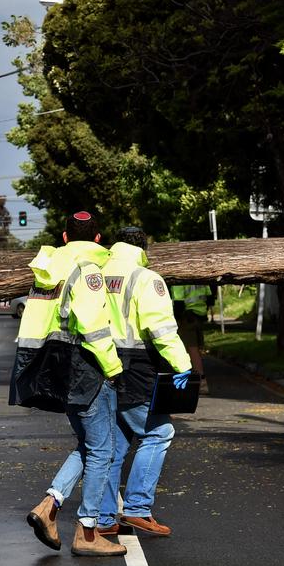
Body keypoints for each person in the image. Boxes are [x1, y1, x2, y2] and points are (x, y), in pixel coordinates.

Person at [11, 211, 127, 557]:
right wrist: (113, 367)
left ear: (64, 237)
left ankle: (50, 506)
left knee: (89, 444)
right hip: (87, 369)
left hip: (57, 369)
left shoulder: (49, 269)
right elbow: (92, 326)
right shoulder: (88, 271)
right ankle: (88, 533)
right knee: (103, 451)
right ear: (97, 239)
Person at [97, 227, 191, 538]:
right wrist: (182, 365)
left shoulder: (95, 275)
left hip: (97, 364)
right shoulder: (145, 278)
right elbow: (160, 328)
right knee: (159, 432)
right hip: (135, 365)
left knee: (115, 445)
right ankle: (137, 509)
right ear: (142, 247)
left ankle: (105, 517)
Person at [170, 283, 211, 394]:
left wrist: (177, 319)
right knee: (196, 348)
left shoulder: (179, 278)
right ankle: (196, 380)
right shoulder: (200, 276)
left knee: (190, 349)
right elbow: (210, 296)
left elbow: (178, 303)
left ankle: (200, 382)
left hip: (187, 317)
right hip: (199, 315)